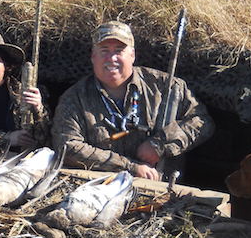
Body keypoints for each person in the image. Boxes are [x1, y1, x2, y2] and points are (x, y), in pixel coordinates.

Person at [52, 20, 214, 181]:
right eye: (104, 50)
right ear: (93, 56)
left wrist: (160, 144)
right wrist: (130, 167)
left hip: (163, 191)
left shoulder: (167, 87)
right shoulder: (74, 98)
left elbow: (202, 122)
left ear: (132, 55)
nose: (111, 58)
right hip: (100, 187)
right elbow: (68, 146)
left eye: (119, 50)